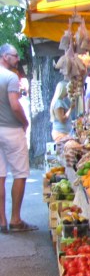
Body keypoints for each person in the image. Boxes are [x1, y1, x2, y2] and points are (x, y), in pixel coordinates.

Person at [0, 44, 37, 232]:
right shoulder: (11, 77)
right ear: (4, 56)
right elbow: (15, 105)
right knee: (20, 174)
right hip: (12, 130)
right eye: (14, 56)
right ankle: (15, 219)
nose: (17, 59)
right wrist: (25, 122)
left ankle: (1, 221)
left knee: (0, 175)